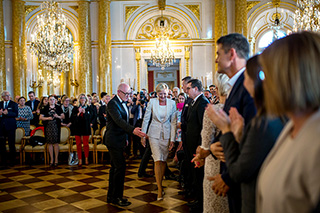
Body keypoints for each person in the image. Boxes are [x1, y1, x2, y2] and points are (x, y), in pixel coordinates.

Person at [206, 55, 285, 213]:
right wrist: (239, 136)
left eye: (245, 77)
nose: (243, 83)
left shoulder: (265, 120)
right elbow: (255, 151)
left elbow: (240, 169)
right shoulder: (269, 115)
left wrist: (227, 130)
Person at [256, 32, 320, 212]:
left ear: (287, 79)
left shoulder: (316, 138)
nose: (263, 84)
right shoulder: (293, 124)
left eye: (265, 74)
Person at [210, 33, 256, 213]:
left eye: (218, 54)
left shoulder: (248, 85)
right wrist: (214, 146)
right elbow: (227, 127)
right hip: (232, 166)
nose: (215, 60)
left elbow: (252, 139)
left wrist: (229, 177)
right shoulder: (236, 85)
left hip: (242, 177)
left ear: (231, 54)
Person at [191, 73, 230, 213]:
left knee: (214, 206)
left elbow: (205, 146)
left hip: (215, 164)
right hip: (233, 166)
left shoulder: (213, 111)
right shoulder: (240, 109)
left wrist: (199, 155)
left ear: (218, 89)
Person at [105, 83, 146, 207]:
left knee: (115, 168)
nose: (128, 96)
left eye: (129, 93)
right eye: (126, 93)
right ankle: (117, 197)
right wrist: (133, 130)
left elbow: (125, 121)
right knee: (120, 168)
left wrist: (126, 138)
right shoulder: (112, 104)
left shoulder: (122, 103)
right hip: (113, 140)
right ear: (119, 92)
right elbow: (119, 121)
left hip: (120, 139)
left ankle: (111, 196)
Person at [141, 83, 177, 201]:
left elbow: (173, 122)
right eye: (160, 94)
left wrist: (172, 139)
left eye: (165, 94)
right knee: (157, 159)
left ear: (168, 94)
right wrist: (143, 135)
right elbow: (146, 119)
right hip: (154, 134)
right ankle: (160, 189)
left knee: (163, 161)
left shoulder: (172, 103)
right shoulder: (152, 102)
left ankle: (161, 182)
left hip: (166, 135)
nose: (163, 96)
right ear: (157, 94)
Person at [184, 79, 209, 212]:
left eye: (188, 88)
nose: (186, 91)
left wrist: (201, 147)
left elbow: (204, 128)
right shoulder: (194, 102)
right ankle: (197, 199)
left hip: (198, 146)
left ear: (196, 89)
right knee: (195, 174)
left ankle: (201, 203)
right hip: (191, 143)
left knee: (199, 175)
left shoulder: (203, 103)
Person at [40, 95, 64, 167]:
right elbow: (40, 117)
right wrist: (48, 118)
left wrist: (58, 116)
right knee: (50, 143)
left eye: (53, 99)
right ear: (48, 101)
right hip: (48, 126)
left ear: (55, 100)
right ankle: (51, 159)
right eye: (50, 99)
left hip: (56, 126)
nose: (52, 101)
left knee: (56, 143)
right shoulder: (45, 108)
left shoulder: (58, 107)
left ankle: (56, 159)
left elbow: (63, 116)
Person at [72, 94, 93, 166]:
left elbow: (90, 118)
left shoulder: (89, 107)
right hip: (77, 128)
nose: (82, 99)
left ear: (86, 99)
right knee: (78, 144)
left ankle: (86, 159)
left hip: (86, 128)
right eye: (81, 98)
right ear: (79, 99)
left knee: (86, 144)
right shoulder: (75, 108)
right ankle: (80, 160)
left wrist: (85, 113)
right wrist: (78, 113)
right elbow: (73, 118)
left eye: (84, 98)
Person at [0, 91, 18, 167]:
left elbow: (16, 114)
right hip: (1, 127)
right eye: (6, 96)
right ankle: (3, 161)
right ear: (2, 97)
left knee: (11, 144)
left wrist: (7, 113)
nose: (8, 97)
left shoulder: (13, 104)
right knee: (2, 144)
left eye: (9, 95)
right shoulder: (0, 104)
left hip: (10, 126)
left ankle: (12, 161)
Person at [169, 92, 186, 166]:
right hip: (178, 130)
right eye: (180, 98)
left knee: (181, 145)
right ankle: (177, 160)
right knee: (179, 145)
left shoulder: (186, 107)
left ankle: (175, 160)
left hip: (183, 129)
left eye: (183, 98)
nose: (181, 100)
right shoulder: (177, 108)